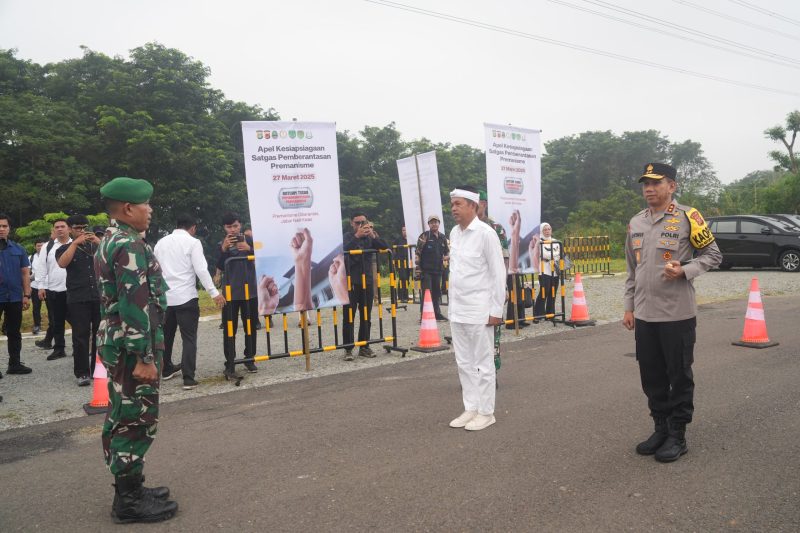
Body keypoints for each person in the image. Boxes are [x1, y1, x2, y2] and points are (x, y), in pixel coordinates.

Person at [623, 162, 722, 463]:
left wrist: (685, 270)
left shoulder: (688, 217)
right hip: (645, 315)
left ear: (672, 186)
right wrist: (629, 307)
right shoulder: (636, 222)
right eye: (646, 184)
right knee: (651, 377)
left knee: (678, 376)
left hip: (677, 315)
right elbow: (632, 269)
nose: (649, 188)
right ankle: (661, 428)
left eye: (656, 182)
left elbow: (713, 255)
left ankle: (677, 434)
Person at [95, 177, 178, 522]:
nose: (150, 209)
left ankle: (130, 487)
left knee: (123, 414)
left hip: (119, 340)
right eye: (146, 204)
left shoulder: (111, 239)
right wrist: (144, 356)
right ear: (128, 209)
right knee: (135, 419)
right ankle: (128, 503)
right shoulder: (128, 245)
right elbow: (135, 304)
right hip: (133, 346)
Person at [446, 187, 506, 431]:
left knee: (483, 363)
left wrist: (496, 310)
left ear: (473, 205)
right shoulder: (454, 233)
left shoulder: (486, 234)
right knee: (464, 363)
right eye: (452, 204)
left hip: (479, 310)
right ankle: (471, 407)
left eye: (458, 204)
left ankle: (486, 412)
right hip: (457, 309)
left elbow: (498, 273)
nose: (453, 209)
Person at [154, 214, 226, 391]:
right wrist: (214, 293)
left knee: (166, 336)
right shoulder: (193, 243)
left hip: (165, 298)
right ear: (193, 227)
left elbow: (155, 270)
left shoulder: (160, 243)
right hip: (186, 297)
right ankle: (188, 378)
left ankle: (165, 369)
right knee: (189, 338)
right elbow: (201, 269)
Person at [55, 214, 101, 386]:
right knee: (80, 336)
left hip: (98, 295)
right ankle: (82, 373)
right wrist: (75, 243)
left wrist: (99, 242)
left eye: (84, 228)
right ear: (70, 229)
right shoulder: (64, 248)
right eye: (77, 228)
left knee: (100, 334)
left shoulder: (95, 245)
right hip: (77, 297)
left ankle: (98, 369)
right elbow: (62, 263)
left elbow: (111, 258)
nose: (82, 231)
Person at [215, 212, 259, 379]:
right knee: (229, 329)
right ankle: (230, 362)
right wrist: (224, 249)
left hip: (250, 292)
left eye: (235, 226)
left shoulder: (251, 240)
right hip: (230, 293)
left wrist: (250, 249)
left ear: (240, 225)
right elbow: (219, 266)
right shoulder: (221, 243)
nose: (232, 230)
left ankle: (250, 358)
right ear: (224, 228)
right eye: (229, 227)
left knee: (250, 327)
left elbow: (262, 259)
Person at [342, 213, 388, 360]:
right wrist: (357, 236)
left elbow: (384, 246)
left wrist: (373, 236)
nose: (361, 225)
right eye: (358, 222)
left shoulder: (370, 237)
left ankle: (364, 346)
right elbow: (344, 251)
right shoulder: (348, 236)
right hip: (351, 282)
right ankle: (348, 348)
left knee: (366, 316)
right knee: (349, 316)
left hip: (366, 281)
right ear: (352, 223)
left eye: (363, 222)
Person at [0, 213, 33, 376]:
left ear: (9, 228)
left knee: (14, 331)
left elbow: (25, 273)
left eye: (4, 226)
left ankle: (14, 364)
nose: (1, 229)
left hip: (14, 297)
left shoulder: (18, 249)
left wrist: (26, 295)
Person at [36, 218, 72, 360]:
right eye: (57, 227)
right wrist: (41, 286)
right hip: (54, 289)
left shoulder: (76, 244)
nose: (60, 229)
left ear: (69, 228)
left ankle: (79, 348)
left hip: (73, 290)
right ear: (53, 230)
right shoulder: (48, 246)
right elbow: (41, 267)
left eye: (62, 226)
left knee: (78, 321)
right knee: (57, 322)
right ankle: (59, 349)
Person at [414, 215, 449, 321]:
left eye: (436, 222)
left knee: (437, 293)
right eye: (432, 222)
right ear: (428, 224)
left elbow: (447, 251)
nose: (434, 224)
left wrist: (447, 256)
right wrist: (418, 269)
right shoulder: (424, 236)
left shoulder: (443, 237)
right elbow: (418, 253)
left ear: (439, 224)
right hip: (426, 271)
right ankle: (424, 316)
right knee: (427, 293)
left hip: (438, 270)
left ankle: (437, 314)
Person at [530, 222, 561, 322]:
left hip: (554, 270)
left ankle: (550, 314)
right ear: (541, 231)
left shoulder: (555, 241)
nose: (547, 231)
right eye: (545, 230)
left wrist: (553, 255)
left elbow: (559, 253)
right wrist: (554, 254)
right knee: (544, 291)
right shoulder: (539, 242)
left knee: (553, 292)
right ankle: (538, 314)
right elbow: (544, 254)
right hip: (544, 270)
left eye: (549, 229)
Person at [29, 239, 46, 335]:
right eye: (38, 245)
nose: (40, 247)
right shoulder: (31, 258)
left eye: (42, 245)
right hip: (35, 286)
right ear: (35, 247)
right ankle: (37, 325)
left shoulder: (50, 255)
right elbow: (28, 272)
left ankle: (53, 325)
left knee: (51, 307)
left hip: (48, 285)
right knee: (36, 307)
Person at [393, 226, 411, 303]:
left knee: (407, 279)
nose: (404, 231)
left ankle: (405, 295)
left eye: (406, 230)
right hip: (400, 262)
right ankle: (401, 296)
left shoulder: (410, 240)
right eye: (403, 230)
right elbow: (394, 249)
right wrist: (395, 261)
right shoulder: (398, 240)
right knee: (402, 278)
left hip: (408, 262)